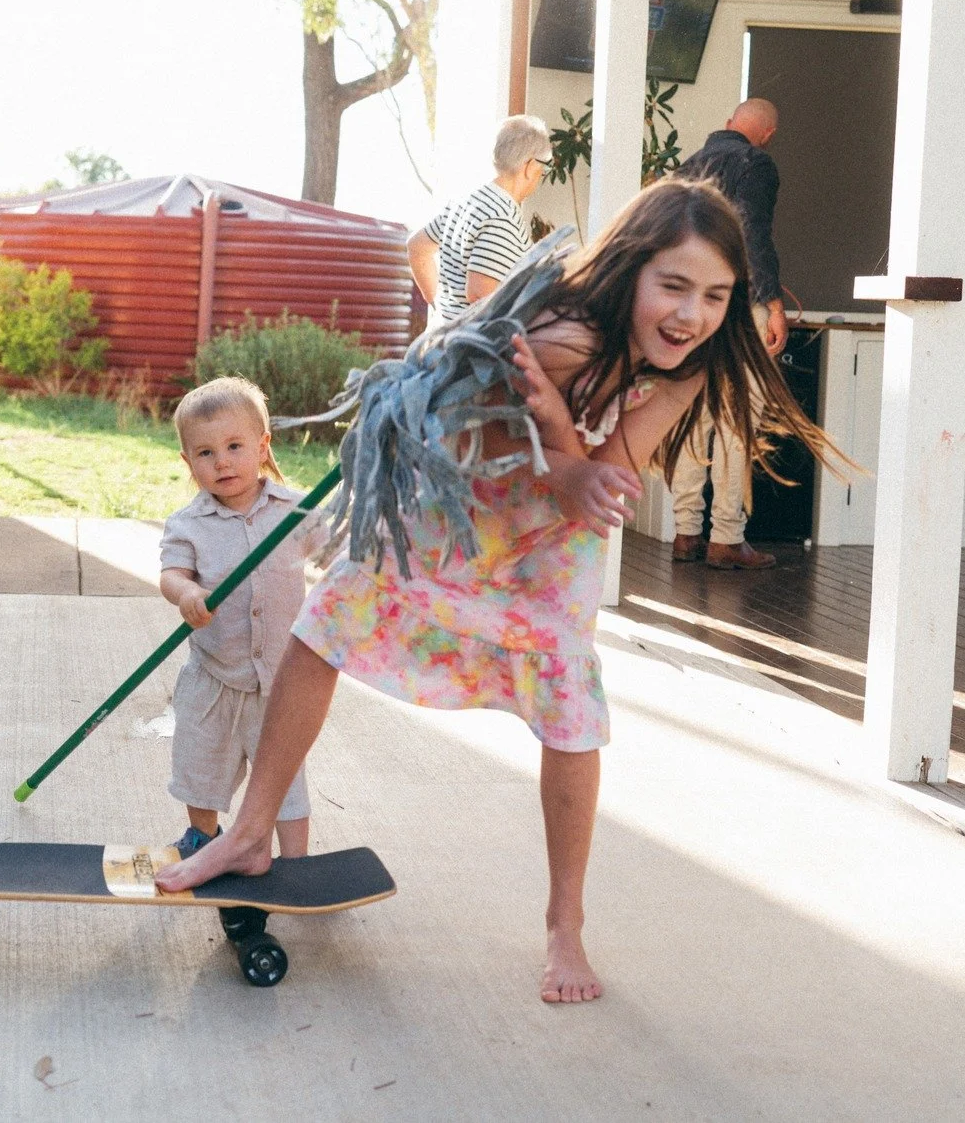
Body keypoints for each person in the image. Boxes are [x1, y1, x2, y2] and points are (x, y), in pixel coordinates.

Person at [155, 179, 843, 1005]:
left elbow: (610, 474)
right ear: (631, 269)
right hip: (461, 499)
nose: (691, 313)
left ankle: (565, 923)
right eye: (674, 285)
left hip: (551, 544)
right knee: (326, 624)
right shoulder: (559, 328)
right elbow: (462, 429)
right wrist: (557, 437)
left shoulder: (686, 368)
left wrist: (560, 433)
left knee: (567, 706)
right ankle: (251, 832)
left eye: (715, 294)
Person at [157, 377, 319, 861]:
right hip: (214, 676)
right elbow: (171, 574)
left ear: (263, 446)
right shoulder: (188, 524)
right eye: (205, 453)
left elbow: (339, 553)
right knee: (200, 767)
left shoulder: (296, 512)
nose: (222, 461)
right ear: (189, 462)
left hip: (280, 679)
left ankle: (297, 863)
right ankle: (202, 837)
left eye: (234, 446)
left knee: (285, 777)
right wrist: (188, 593)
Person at [669, 97, 787, 570]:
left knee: (693, 414)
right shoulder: (756, 163)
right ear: (766, 134)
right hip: (739, 305)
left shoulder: (684, 169)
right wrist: (772, 302)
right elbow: (751, 228)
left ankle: (685, 533)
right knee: (737, 415)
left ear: (727, 122)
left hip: (691, 306)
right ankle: (726, 538)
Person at [409, 114, 553, 326]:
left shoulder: (465, 201)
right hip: (467, 353)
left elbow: (416, 248)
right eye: (545, 166)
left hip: (443, 343)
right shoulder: (501, 215)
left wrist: (440, 309)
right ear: (530, 166)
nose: (542, 173)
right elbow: (479, 293)